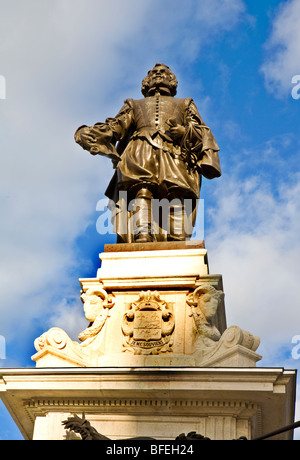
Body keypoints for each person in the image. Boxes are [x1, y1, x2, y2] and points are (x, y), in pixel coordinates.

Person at [75, 63, 221, 243]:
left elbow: (202, 130)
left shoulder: (185, 103)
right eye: (153, 73)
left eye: (164, 72)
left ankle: (178, 239)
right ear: (146, 81)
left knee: (177, 193)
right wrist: (94, 134)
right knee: (141, 190)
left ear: (172, 80)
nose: (158, 74)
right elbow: (117, 127)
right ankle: (142, 234)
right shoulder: (133, 104)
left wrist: (185, 132)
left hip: (174, 153)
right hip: (140, 150)